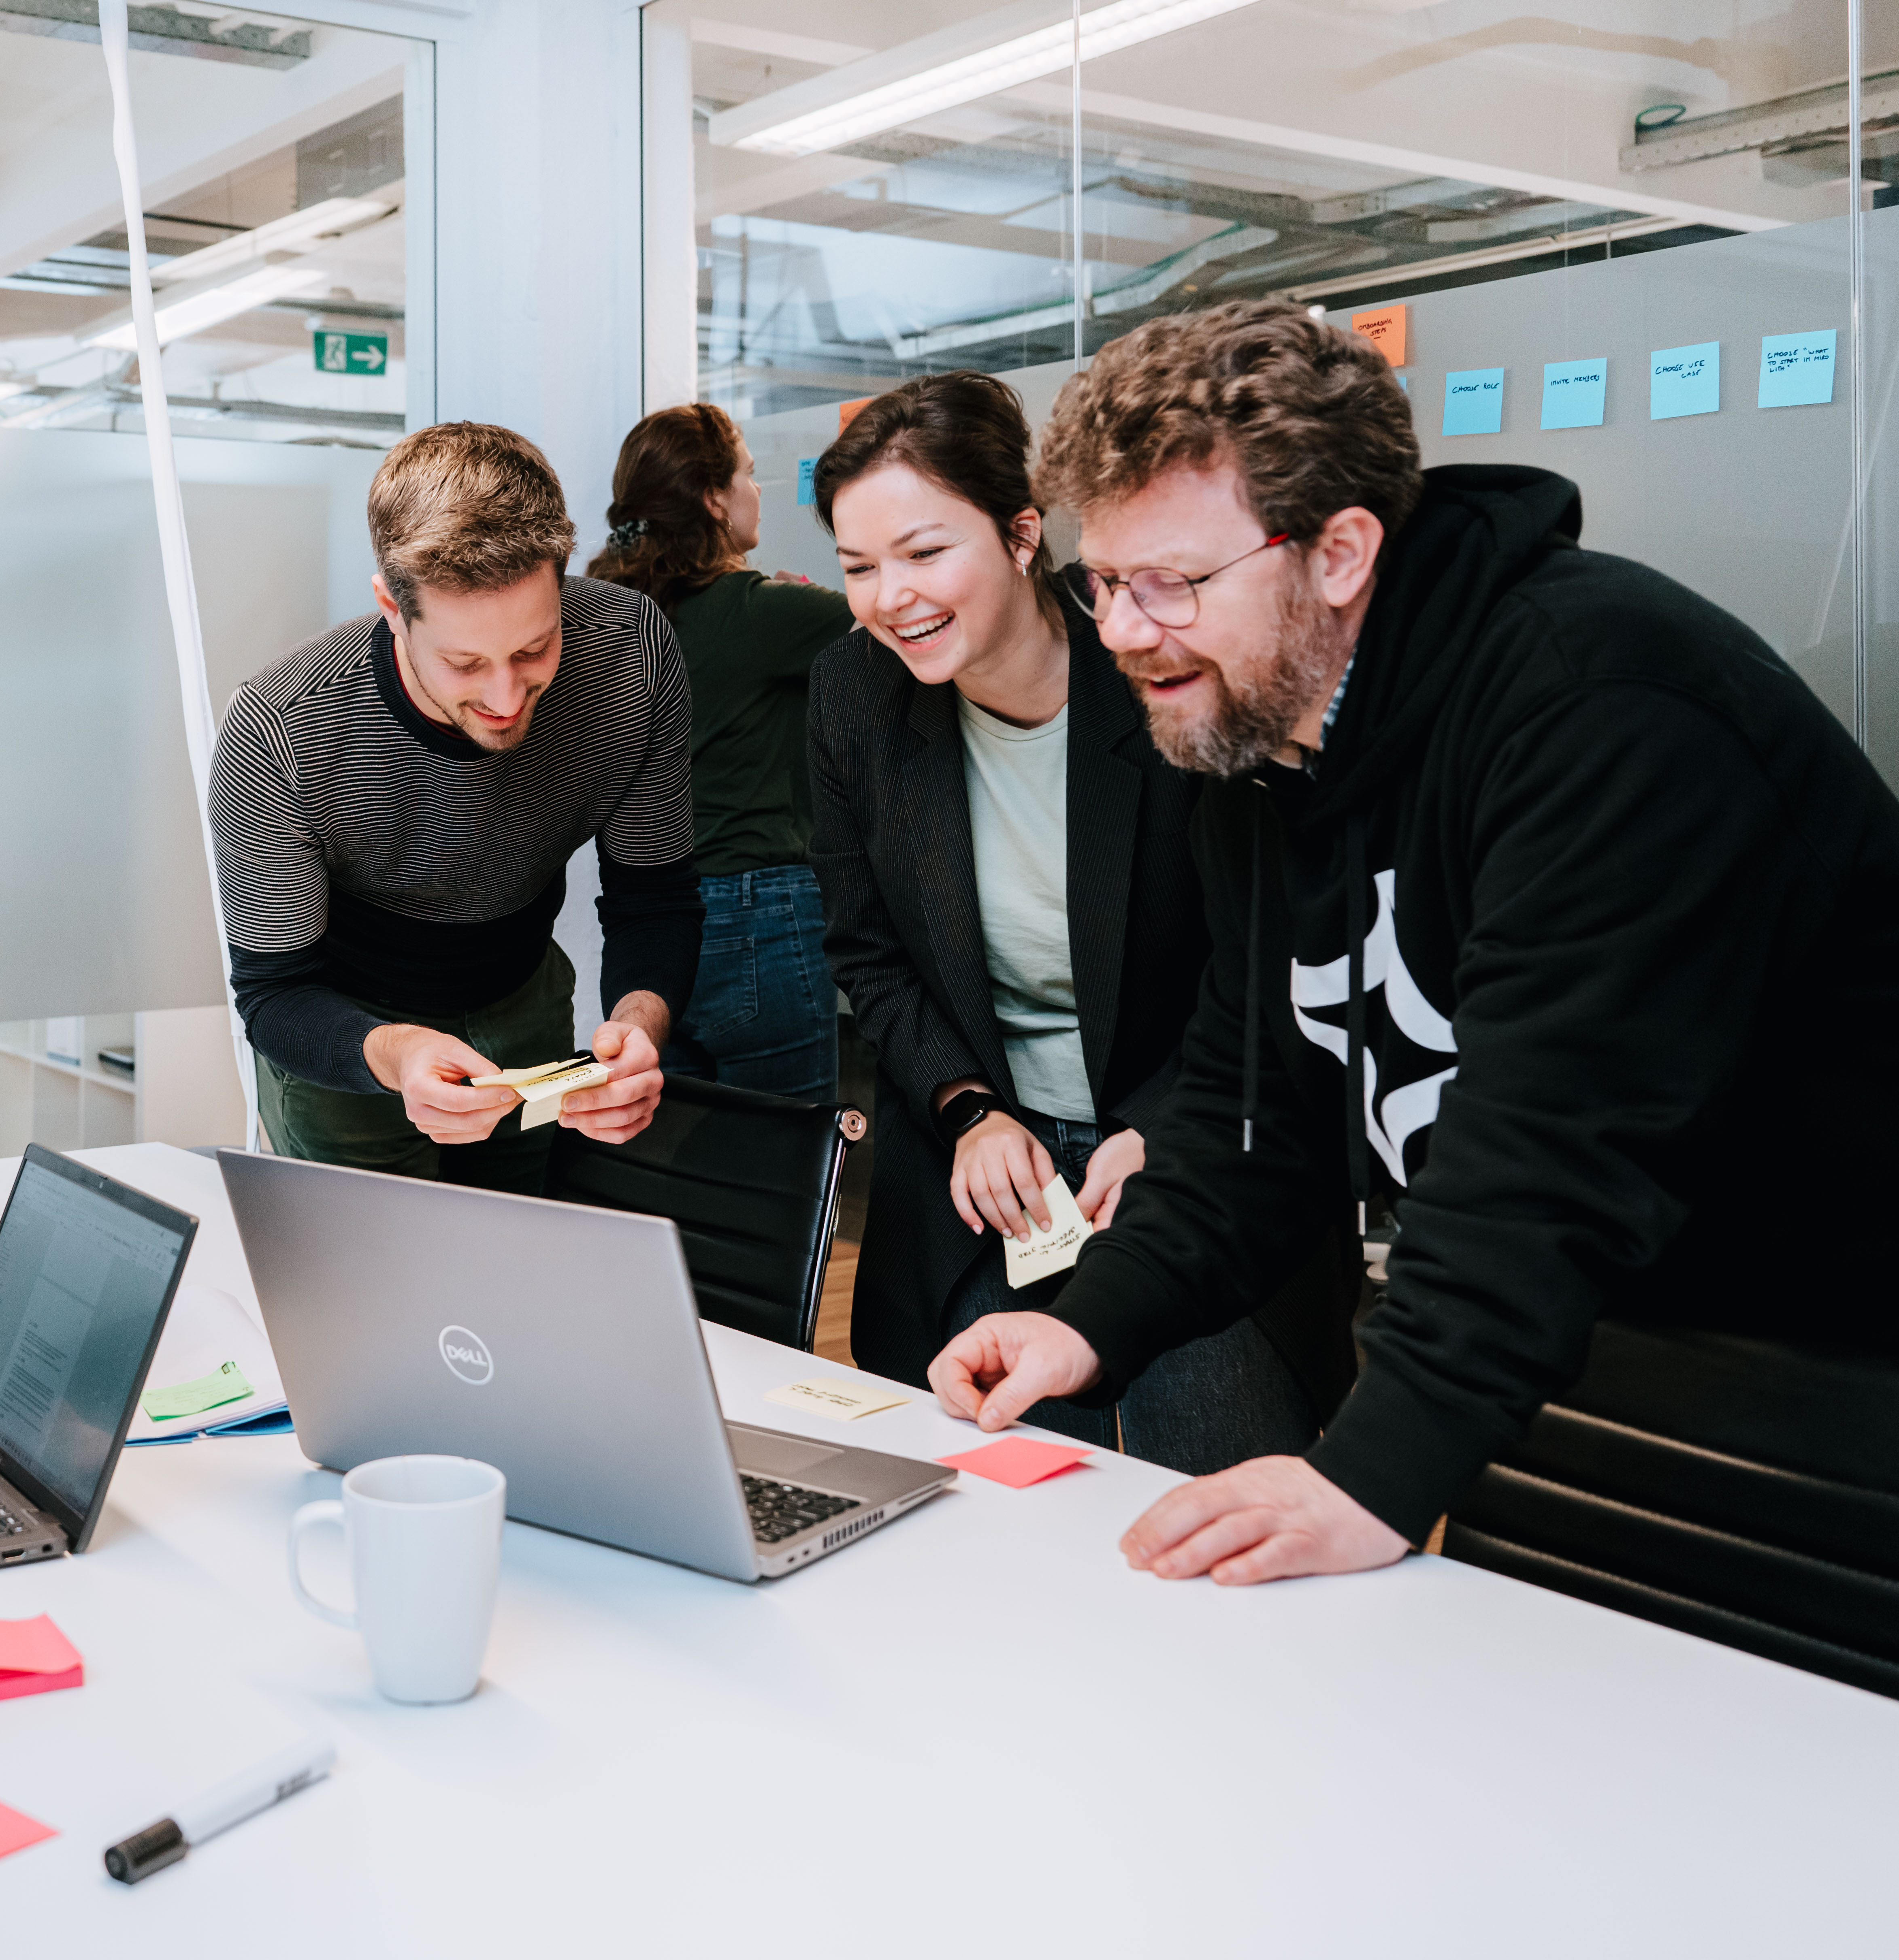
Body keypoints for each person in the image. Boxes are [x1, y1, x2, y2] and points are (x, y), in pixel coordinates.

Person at [928, 301, 1899, 1583]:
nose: (1119, 632)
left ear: (1339, 551)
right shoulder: (1253, 734)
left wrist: (1368, 1473)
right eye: (1102, 583)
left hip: (1838, 1391)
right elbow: (1248, 1104)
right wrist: (1089, 1325)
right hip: (1601, 1374)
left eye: (1171, 583)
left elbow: (1542, 1161)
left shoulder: (1600, 708)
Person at [806, 372, 1328, 1475]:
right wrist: (968, 1109)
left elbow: (1262, 955)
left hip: (1188, 1157)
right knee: (997, 1514)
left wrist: (1164, 1130)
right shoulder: (853, 695)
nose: (889, 596)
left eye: (924, 552)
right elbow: (869, 948)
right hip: (993, 1178)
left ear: (1023, 532)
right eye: (858, 567)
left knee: (1218, 1486)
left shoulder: (1164, 671)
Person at [212, 420, 701, 1192]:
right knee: (368, 1281)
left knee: (519, 1253)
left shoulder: (632, 656)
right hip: (346, 1031)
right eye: (464, 662)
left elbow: (654, 897)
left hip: (525, 995)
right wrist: (398, 1052)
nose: (506, 699)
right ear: (390, 606)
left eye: (536, 649)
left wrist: (639, 1028)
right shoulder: (282, 728)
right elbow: (275, 994)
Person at [590, 402, 851, 1104]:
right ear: (712, 498)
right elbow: (905, 621)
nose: (757, 492)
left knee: (680, 1159)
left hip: (649, 925)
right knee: (786, 1165)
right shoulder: (763, 611)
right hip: (762, 912)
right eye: (748, 476)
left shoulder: (609, 618)